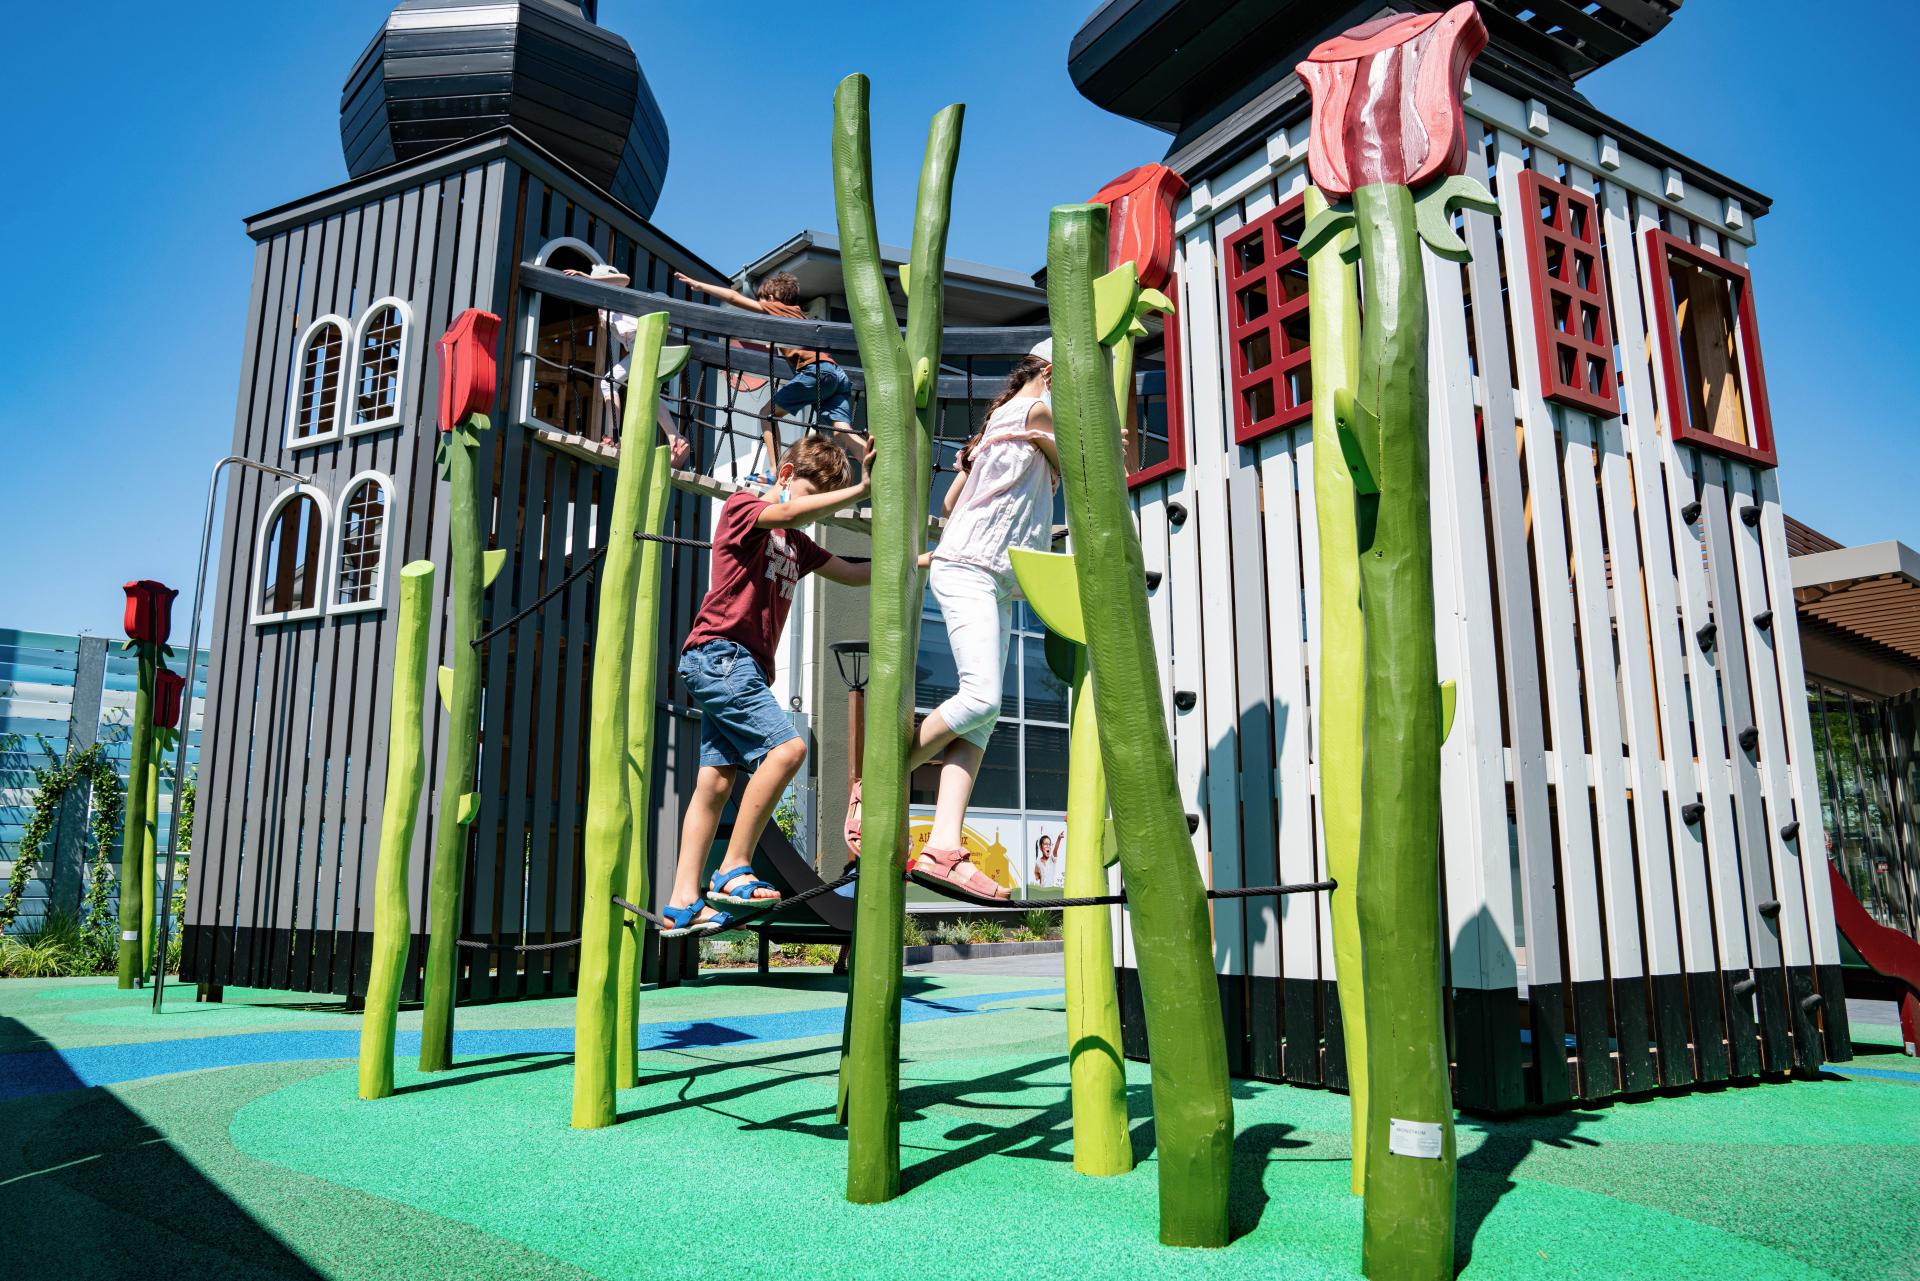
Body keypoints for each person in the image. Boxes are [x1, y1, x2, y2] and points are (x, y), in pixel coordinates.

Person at [660, 434, 876, 935]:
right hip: (719, 655)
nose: (809, 508)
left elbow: (848, 571)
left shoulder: (797, 544)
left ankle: (682, 898)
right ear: (783, 476)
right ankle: (734, 865)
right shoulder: (744, 507)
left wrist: (918, 563)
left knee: (715, 783)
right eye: (806, 493)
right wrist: (860, 489)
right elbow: (788, 515)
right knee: (787, 750)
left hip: (742, 668)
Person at [903, 340, 1059, 899]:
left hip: (993, 576)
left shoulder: (999, 423)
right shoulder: (1034, 410)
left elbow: (950, 506)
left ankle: (943, 847)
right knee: (981, 699)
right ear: (1048, 371)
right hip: (970, 567)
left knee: (981, 721)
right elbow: (1087, 461)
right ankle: (879, 783)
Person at [672, 269, 855, 482]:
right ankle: (870, 463)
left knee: (766, 414)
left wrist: (700, 285)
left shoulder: (776, 307)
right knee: (843, 432)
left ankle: (775, 469)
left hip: (817, 371)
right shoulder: (798, 315)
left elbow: (734, 297)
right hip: (837, 374)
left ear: (770, 298)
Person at [562, 262, 689, 465]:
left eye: (599, 281)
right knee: (630, 388)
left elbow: (625, 279)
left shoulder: (618, 294)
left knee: (612, 383)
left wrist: (586, 276)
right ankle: (675, 438)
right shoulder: (607, 305)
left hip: (645, 339)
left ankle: (613, 437)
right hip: (640, 345)